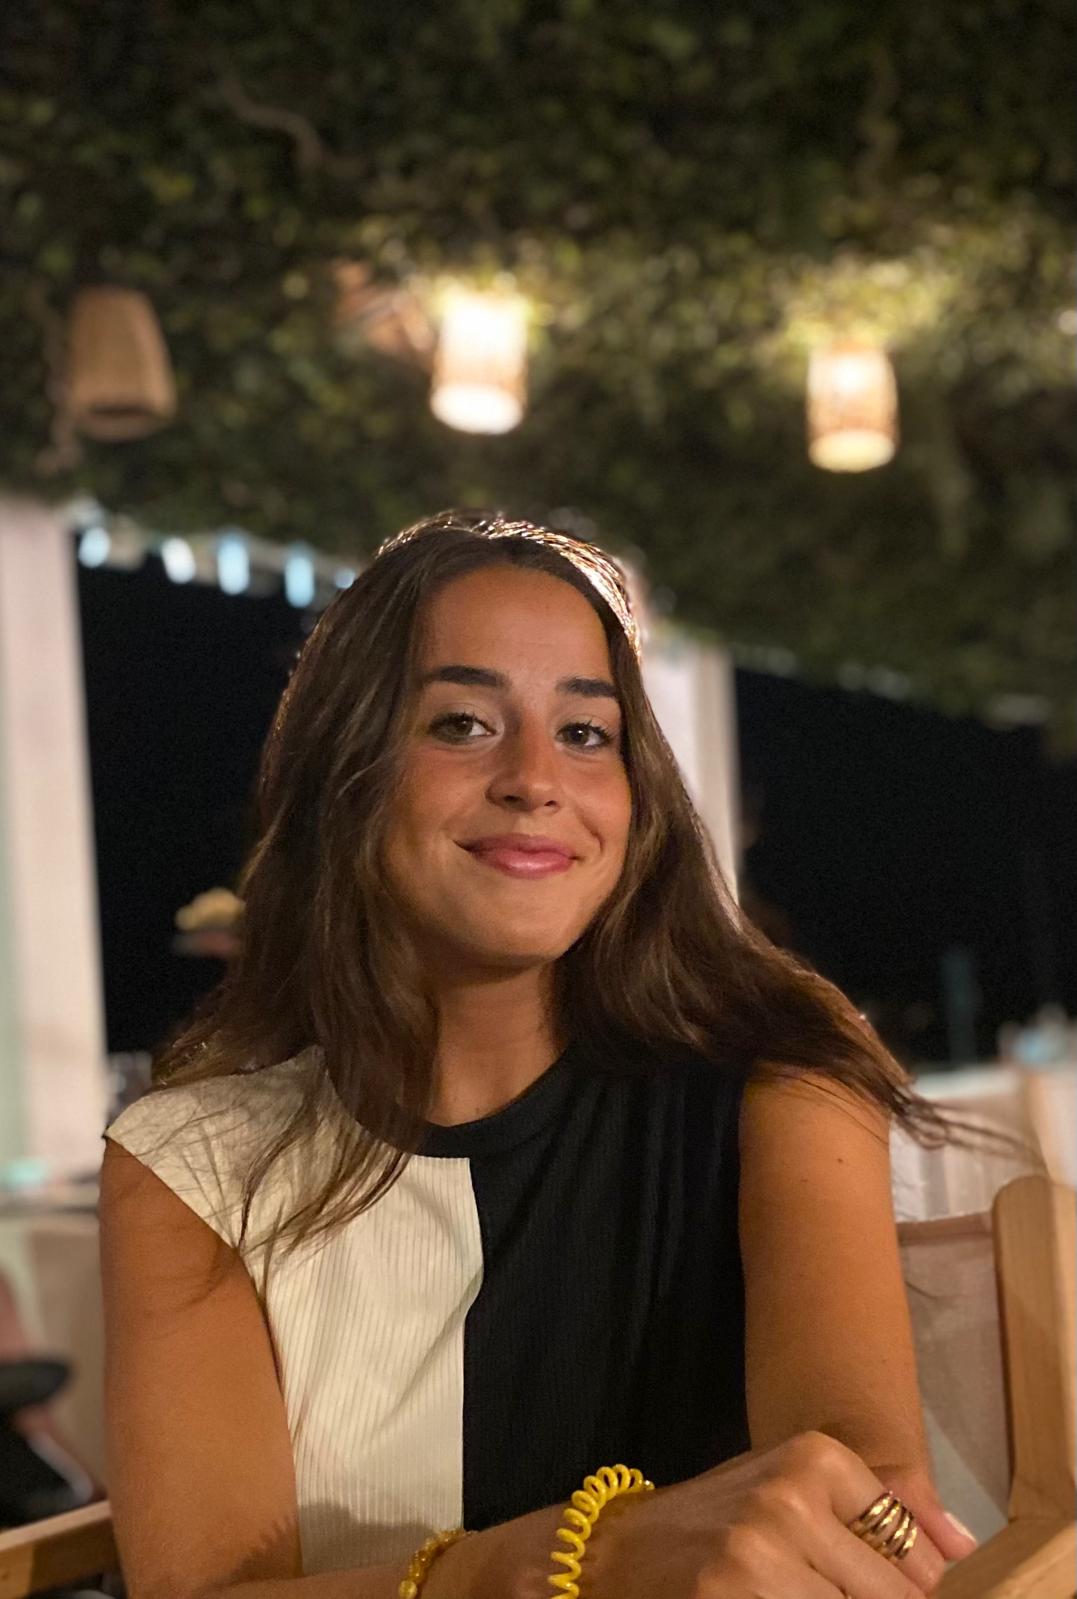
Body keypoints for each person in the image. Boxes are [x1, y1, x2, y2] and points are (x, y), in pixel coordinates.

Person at [100, 510, 983, 1599]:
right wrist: (581, 1560)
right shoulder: (190, 1164)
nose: (534, 777)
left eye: (585, 733)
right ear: (343, 772)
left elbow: (861, 1513)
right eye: (461, 723)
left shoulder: (781, 1080)